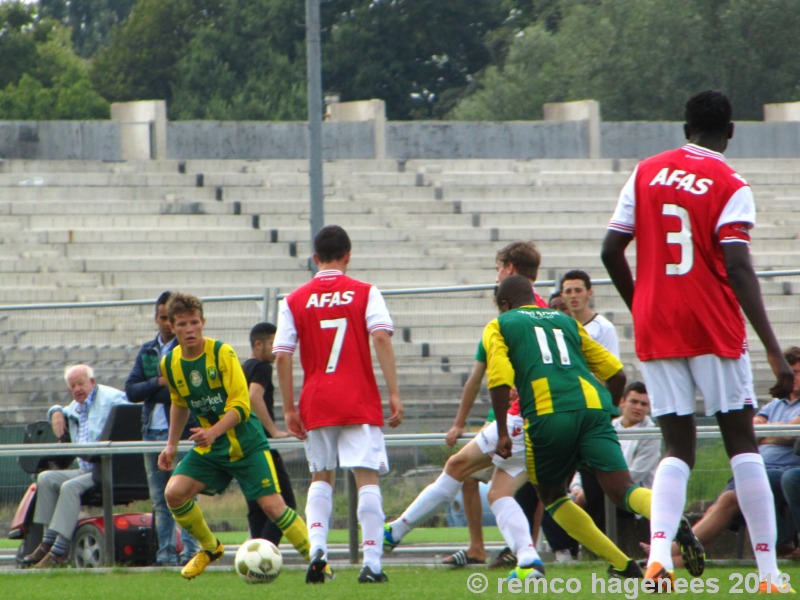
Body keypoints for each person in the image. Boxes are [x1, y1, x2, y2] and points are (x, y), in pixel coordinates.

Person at [601, 89, 795, 593]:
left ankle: (658, 558)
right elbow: (736, 264)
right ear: (730, 131)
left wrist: (642, 301)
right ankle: (769, 573)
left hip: (656, 323)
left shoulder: (644, 171)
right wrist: (774, 350)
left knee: (676, 446)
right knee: (741, 443)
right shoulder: (730, 182)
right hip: (711, 323)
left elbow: (610, 250)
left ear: (685, 126)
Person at [485, 275, 702, 580]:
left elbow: (498, 380)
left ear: (504, 304)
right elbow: (616, 374)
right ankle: (672, 520)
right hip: (594, 409)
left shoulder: (501, 324)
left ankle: (623, 564)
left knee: (553, 497)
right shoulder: (565, 320)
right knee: (623, 489)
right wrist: (608, 414)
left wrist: (504, 434)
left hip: (548, 414)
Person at [274, 224, 403, 584]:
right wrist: (393, 392)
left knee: (321, 477)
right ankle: (372, 564)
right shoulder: (366, 292)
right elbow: (380, 337)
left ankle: (318, 553)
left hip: (316, 401)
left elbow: (282, 357)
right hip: (358, 398)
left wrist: (288, 408)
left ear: (315, 258)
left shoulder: (294, 300)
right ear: (348, 255)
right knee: (367, 478)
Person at [157, 292, 312, 580]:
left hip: (246, 443)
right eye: (182, 324)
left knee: (274, 507)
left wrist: (212, 432)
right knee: (173, 493)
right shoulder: (170, 363)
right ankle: (210, 548)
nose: (189, 329)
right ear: (172, 327)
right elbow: (178, 401)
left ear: (203, 322)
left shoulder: (222, 353)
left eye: (194, 322)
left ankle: (317, 562)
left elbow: (241, 406)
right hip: (213, 447)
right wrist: (171, 445)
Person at [440, 240, 548, 569]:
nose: (497, 274)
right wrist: (459, 421)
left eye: (499, 268)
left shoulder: (523, 313)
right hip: (506, 415)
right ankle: (485, 548)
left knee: (528, 485)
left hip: (524, 416)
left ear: (510, 269)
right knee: (474, 475)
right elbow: (478, 373)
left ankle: (525, 549)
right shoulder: (518, 312)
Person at [645, 346, 800, 566]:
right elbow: (753, 432)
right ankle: (668, 559)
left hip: (784, 470)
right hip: (763, 469)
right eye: (790, 371)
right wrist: (775, 432)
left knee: (732, 497)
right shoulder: (775, 404)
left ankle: (665, 552)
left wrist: (769, 433)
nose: (793, 377)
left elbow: (774, 434)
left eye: (797, 372)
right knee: (725, 502)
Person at [385, 386, 545, 580]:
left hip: (520, 420)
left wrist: (503, 425)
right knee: (501, 493)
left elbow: (497, 381)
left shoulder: (507, 354)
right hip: (561, 421)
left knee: (457, 466)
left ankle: (395, 531)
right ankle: (529, 560)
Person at [21, 364, 129, 568]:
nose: (77, 389)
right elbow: (60, 410)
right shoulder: (76, 406)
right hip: (86, 468)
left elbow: (132, 407)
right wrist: (55, 411)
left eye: (81, 383)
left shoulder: (111, 397)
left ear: (92, 382)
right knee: (46, 477)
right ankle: (46, 541)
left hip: (106, 467)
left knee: (69, 487)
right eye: (73, 386)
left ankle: (58, 551)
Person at [125, 290, 200, 566]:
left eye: (171, 318)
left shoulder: (187, 350)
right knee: (160, 499)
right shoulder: (148, 351)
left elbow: (183, 392)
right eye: (162, 318)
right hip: (151, 433)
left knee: (185, 494)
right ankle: (165, 554)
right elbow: (131, 391)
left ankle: (192, 551)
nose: (166, 323)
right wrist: (157, 383)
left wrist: (159, 388)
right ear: (157, 319)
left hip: (180, 433)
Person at [242, 322, 297, 545]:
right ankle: (266, 552)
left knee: (256, 506)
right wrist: (273, 431)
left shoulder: (245, 366)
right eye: (273, 343)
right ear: (258, 344)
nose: (277, 348)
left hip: (245, 445)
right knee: (286, 505)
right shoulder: (262, 367)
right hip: (261, 445)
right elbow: (254, 396)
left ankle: (255, 556)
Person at [570, 381, 660, 507]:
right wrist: (577, 488)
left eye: (644, 404)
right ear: (622, 402)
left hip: (630, 499)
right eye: (634, 401)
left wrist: (592, 491)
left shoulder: (651, 434)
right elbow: (586, 461)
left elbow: (634, 475)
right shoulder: (608, 426)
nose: (638, 407)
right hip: (600, 493)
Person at [561, 269, 620, 358]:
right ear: (562, 296)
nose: (573, 296)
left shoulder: (604, 328)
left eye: (578, 290)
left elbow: (612, 366)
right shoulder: (561, 327)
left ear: (589, 293)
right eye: (568, 291)